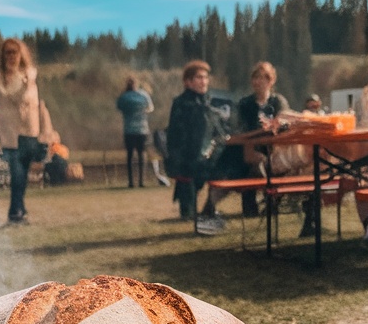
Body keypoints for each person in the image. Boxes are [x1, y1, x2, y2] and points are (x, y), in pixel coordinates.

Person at [0, 38, 53, 224]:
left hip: (29, 131)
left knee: (22, 173)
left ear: (21, 54)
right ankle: (15, 212)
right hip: (10, 133)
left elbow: (36, 104)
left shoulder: (29, 77)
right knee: (16, 172)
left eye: (15, 52)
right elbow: (12, 95)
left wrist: (45, 130)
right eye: (7, 52)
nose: (11, 56)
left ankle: (20, 209)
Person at [166, 60, 227, 224]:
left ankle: (209, 208)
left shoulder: (210, 102)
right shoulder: (181, 103)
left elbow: (217, 131)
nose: (204, 81)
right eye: (199, 78)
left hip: (208, 156)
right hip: (188, 159)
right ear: (188, 82)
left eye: (205, 77)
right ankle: (187, 210)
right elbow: (175, 135)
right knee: (188, 208)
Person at [237, 62, 290, 218]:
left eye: (261, 78)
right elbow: (242, 129)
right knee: (252, 165)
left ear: (271, 81)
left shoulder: (278, 102)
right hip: (251, 149)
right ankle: (251, 209)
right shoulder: (245, 104)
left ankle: (272, 204)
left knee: (278, 165)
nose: (257, 82)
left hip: (276, 148)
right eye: (255, 78)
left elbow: (284, 124)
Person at [116, 76, 154, 188]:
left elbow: (119, 107)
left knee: (130, 155)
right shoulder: (143, 95)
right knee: (142, 153)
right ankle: (142, 181)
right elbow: (150, 108)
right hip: (142, 129)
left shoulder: (123, 97)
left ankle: (131, 182)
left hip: (129, 130)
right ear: (136, 84)